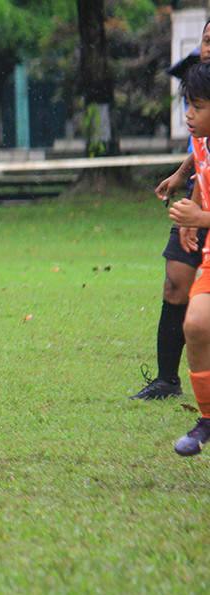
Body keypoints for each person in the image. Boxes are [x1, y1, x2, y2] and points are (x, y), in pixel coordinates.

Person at [133, 18, 210, 400]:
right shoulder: (201, 108)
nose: (208, 47)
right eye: (206, 40)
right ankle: (168, 379)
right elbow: (200, 159)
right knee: (177, 282)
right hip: (201, 204)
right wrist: (187, 195)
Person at [167, 63, 210, 455]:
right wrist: (193, 216)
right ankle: (207, 419)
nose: (188, 115)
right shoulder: (201, 142)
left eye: (197, 106)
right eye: (187, 105)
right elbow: (202, 173)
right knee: (195, 325)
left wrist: (200, 218)